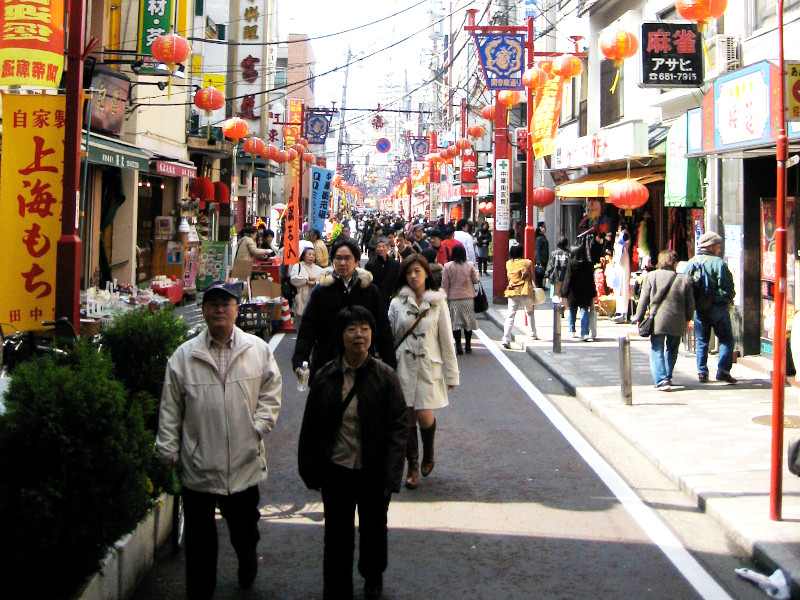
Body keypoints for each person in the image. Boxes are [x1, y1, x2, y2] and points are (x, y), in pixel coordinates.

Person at [156, 281, 282, 599]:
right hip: (199, 465)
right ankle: (201, 592)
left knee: (244, 532)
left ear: (237, 310)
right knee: (200, 543)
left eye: (226, 304)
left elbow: (271, 390)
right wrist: (168, 451)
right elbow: (170, 410)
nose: (219, 310)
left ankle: (247, 561)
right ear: (203, 311)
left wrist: (258, 426)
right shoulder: (184, 357)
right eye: (212, 304)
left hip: (243, 461)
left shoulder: (257, 350)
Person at [298, 306, 407, 600]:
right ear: (340, 336)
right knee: (337, 536)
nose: (358, 336)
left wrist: (392, 473)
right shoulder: (325, 377)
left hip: (373, 469)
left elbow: (399, 428)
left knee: (373, 531)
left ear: (372, 335)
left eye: (364, 329)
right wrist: (310, 470)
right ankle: (336, 589)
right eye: (351, 329)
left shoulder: (385, 377)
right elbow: (311, 428)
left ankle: (373, 576)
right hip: (337, 469)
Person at [389, 255, 459, 490]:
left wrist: (452, 375)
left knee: (424, 416)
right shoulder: (397, 303)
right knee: (408, 417)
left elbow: (446, 340)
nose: (413, 276)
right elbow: (389, 338)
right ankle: (413, 467)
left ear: (427, 273)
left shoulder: (438, 303)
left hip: (429, 366)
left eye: (417, 271)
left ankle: (428, 453)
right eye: (409, 272)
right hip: (404, 368)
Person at [292, 239, 397, 383]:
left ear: (356, 262)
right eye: (338, 258)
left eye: (347, 258)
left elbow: (383, 329)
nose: (342, 263)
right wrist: (300, 359)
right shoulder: (321, 291)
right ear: (332, 261)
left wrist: (390, 364)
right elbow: (307, 328)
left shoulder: (369, 291)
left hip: (363, 364)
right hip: (327, 364)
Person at [633, 249, 695, 390]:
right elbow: (690, 303)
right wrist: (688, 318)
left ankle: (661, 380)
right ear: (675, 263)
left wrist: (639, 317)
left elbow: (643, 300)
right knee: (672, 349)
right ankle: (667, 375)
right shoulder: (684, 279)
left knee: (657, 349)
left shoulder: (651, 277)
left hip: (657, 320)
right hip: (677, 321)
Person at [684, 231, 737, 383]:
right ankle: (723, 371)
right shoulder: (718, 263)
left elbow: (686, 287)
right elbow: (727, 287)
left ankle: (702, 372)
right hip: (718, 308)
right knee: (726, 339)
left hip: (699, 309)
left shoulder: (691, 263)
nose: (720, 249)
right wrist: (725, 299)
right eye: (718, 245)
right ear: (712, 246)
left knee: (702, 341)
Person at [442, 244, 480, 354]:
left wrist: (444, 299)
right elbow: (475, 280)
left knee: (456, 323)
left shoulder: (448, 266)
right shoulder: (469, 265)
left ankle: (458, 345)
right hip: (468, 298)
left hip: (454, 298)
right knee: (468, 323)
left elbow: (444, 285)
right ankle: (468, 345)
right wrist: (477, 276)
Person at [502, 243, 539, 348]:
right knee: (530, 312)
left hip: (512, 291)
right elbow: (530, 275)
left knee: (510, 316)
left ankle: (506, 338)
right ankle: (532, 333)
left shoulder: (508, 263)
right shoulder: (527, 263)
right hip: (524, 290)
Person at [560, 246, 597, 341]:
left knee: (572, 310)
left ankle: (572, 330)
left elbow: (568, 278)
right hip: (585, 291)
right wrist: (593, 292)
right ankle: (584, 333)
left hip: (573, 291)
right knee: (584, 310)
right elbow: (591, 280)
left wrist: (564, 292)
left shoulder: (571, 263)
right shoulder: (588, 264)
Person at [290, 247, 325, 331]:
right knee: (301, 324)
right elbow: (293, 279)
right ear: (303, 256)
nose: (312, 257)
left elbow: (324, 282)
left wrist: (315, 283)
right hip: (300, 297)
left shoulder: (319, 269)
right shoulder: (297, 266)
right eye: (309, 254)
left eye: (313, 255)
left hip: (314, 299)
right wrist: (307, 280)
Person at [364, 237, 399, 309]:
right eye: (379, 247)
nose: (381, 249)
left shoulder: (395, 264)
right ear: (376, 249)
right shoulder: (370, 265)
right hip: (375, 299)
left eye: (383, 246)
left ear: (387, 248)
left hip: (391, 298)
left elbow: (397, 280)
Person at [545, 235, 570, 305]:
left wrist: (547, 275)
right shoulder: (569, 253)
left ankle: (556, 308)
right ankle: (563, 307)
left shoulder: (553, 253)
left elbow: (550, 265)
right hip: (566, 275)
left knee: (556, 292)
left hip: (556, 275)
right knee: (564, 294)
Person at [534, 222, 549, 288]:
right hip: (541, 259)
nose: (544, 228)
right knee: (539, 273)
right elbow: (537, 250)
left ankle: (540, 285)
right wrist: (538, 261)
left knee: (542, 273)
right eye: (542, 227)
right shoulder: (539, 238)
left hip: (544, 259)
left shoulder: (543, 237)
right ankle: (539, 285)